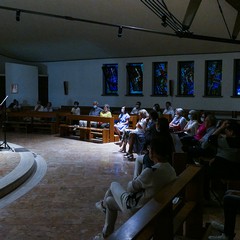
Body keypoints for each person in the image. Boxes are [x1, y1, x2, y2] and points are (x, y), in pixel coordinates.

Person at [94, 136, 177, 240]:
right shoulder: (171, 170)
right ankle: (105, 235)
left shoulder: (151, 172)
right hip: (152, 208)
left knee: (113, 185)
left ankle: (103, 206)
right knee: (110, 201)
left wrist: (138, 177)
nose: (148, 150)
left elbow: (130, 188)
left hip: (137, 209)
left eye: (150, 148)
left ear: (153, 152)